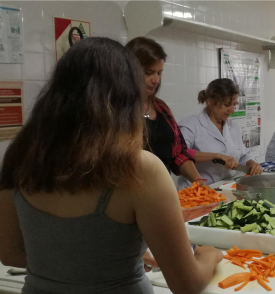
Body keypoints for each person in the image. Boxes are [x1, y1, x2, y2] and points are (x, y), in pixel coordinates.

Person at [0, 38, 222, 294]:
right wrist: (209, 256)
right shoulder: (140, 168)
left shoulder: (20, 158)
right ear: (127, 96)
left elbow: (12, 255)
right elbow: (187, 284)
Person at [125, 37, 206, 187]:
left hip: (162, 190)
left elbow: (178, 153)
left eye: (159, 73)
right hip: (128, 194)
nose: (156, 80)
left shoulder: (161, 108)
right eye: (149, 73)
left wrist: (198, 180)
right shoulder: (117, 110)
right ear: (130, 70)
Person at [177, 78, 262, 187]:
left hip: (226, 187)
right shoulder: (190, 125)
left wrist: (252, 163)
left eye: (234, 104)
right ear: (211, 102)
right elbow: (180, 154)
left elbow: (243, 155)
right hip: (196, 190)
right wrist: (216, 156)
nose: (232, 110)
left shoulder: (234, 127)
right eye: (227, 105)